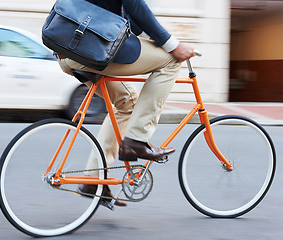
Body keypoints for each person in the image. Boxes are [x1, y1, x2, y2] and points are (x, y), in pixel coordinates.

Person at [57, 0, 195, 207]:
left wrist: (154, 36)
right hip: (91, 48)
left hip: (67, 50)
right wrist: (173, 45)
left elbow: (131, 17)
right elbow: (135, 4)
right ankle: (136, 141)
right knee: (171, 61)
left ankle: (93, 180)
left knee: (126, 103)